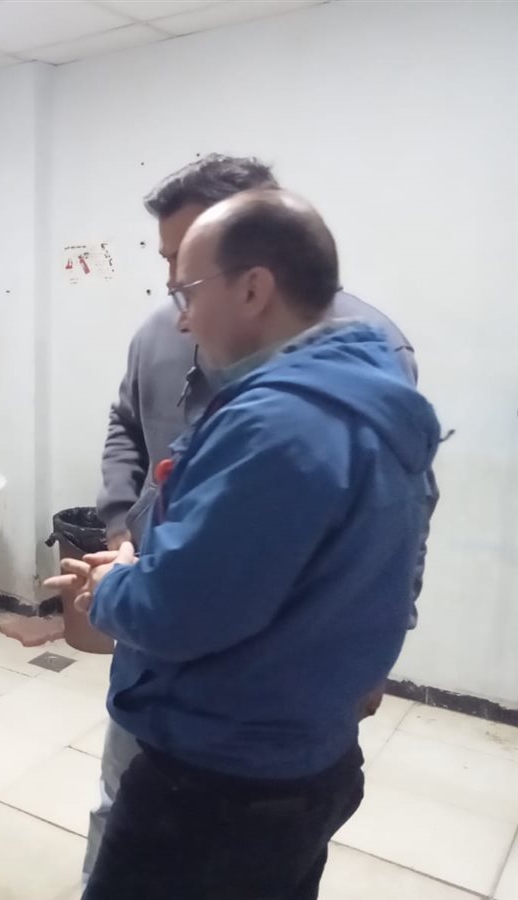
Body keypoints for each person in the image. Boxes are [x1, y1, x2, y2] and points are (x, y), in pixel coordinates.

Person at [62, 192, 440, 899]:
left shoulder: (278, 424)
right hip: (305, 752)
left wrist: (114, 584)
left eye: (187, 290)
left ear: (253, 288)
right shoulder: (367, 391)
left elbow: (181, 612)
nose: (181, 318)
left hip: (219, 783)